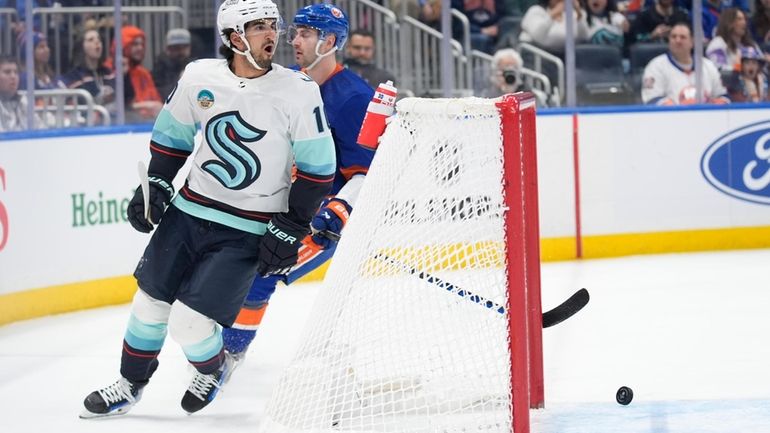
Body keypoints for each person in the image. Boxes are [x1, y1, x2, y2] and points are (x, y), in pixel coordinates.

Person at [79, 0, 336, 419]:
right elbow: (173, 136)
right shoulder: (200, 76)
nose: (273, 34)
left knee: (190, 324)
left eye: (274, 25)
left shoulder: (298, 91)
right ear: (235, 38)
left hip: (248, 228)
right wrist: (159, 183)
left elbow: (318, 171)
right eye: (259, 27)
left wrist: (291, 226)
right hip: (189, 212)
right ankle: (129, 385)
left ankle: (211, 369)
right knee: (148, 306)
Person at [221, 3, 376, 371]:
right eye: (295, 33)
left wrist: (337, 213)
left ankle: (229, 356)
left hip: (318, 217)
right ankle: (217, 339)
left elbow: (365, 173)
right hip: (277, 201)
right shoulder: (288, 80)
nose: (295, 41)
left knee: (262, 271)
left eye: (306, 34)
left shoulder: (355, 98)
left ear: (331, 41)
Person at [641, 22, 729, 105]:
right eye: (673, 37)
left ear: (692, 41)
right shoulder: (656, 66)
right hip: (671, 119)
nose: (678, 40)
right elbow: (652, 100)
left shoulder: (708, 66)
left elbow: (724, 97)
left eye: (682, 37)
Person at [107, 24, 163, 123]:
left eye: (142, 44)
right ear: (123, 45)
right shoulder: (108, 70)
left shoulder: (143, 73)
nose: (140, 48)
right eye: (135, 44)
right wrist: (146, 106)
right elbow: (114, 106)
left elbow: (156, 103)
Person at [60, 28, 116, 115]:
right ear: (81, 46)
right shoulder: (73, 77)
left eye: (99, 39)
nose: (97, 42)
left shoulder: (108, 72)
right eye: (91, 40)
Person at [480, 47, 549, 106]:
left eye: (514, 67)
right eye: (505, 67)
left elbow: (533, 108)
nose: (510, 72)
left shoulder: (526, 92)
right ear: (496, 70)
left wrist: (511, 91)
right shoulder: (487, 90)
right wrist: (501, 89)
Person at [519, 0, 589, 54]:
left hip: (564, 58)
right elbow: (540, 37)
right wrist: (553, 14)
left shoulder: (574, 15)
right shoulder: (535, 11)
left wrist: (579, 14)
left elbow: (583, 38)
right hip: (536, 57)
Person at [0, 54, 45, 132]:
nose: (13, 76)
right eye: (7, 72)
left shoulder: (23, 101)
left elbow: (40, 129)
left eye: (16, 72)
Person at [152, 28, 194, 101]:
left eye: (184, 47)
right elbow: (162, 95)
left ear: (189, 48)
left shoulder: (194, 66)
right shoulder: (160, 69)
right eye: (176, 48)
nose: (181, 51)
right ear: (168, 49)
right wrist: (180, 80)